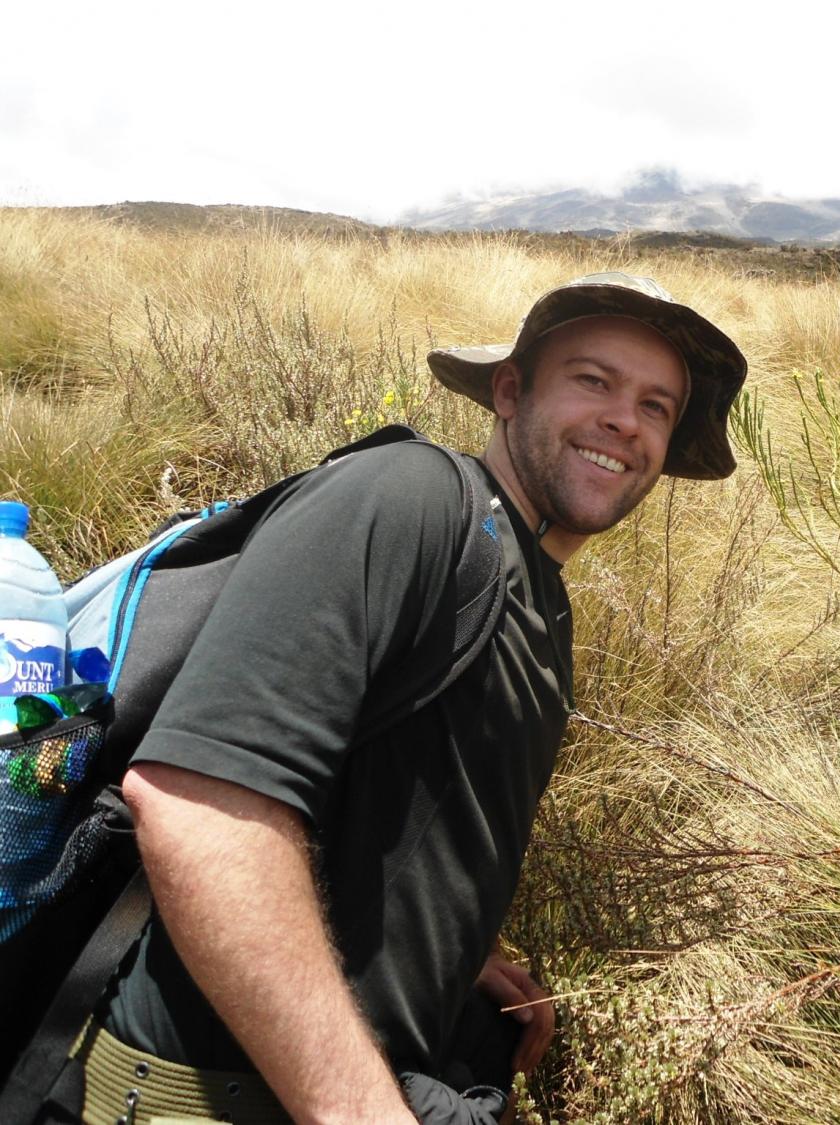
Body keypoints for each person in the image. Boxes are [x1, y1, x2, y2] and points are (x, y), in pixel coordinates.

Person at [66, 273, 747, 1124]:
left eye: (656, 405)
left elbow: (392, 802)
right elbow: (201, 808)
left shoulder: (532, 589)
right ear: (508, 389)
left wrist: (457, 955)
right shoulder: (406, 499)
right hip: (210, 1094)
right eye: (593, 380)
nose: (624, 421)